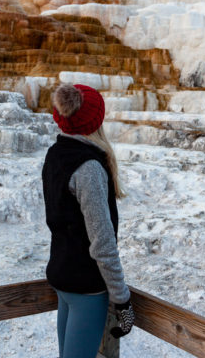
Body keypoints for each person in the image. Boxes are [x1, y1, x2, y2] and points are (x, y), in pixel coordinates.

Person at [42, 83, 135, 358]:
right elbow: (102, 242)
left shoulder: (54, 155)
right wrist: (122, 300)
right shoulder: (89, 169)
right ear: (96, 121)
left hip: (62, 279)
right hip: (86, 291)